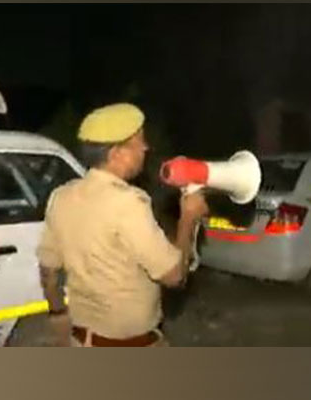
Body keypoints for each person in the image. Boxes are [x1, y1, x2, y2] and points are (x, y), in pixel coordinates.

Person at [36, 102, 208, 347]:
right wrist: (188, 219)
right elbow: (173, 276)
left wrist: (57, 312)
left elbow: (48, 270)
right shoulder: (128, 202)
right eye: (139, 141)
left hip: (81, 340)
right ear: (116, 153)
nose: (146, 148)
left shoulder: (61, 196)